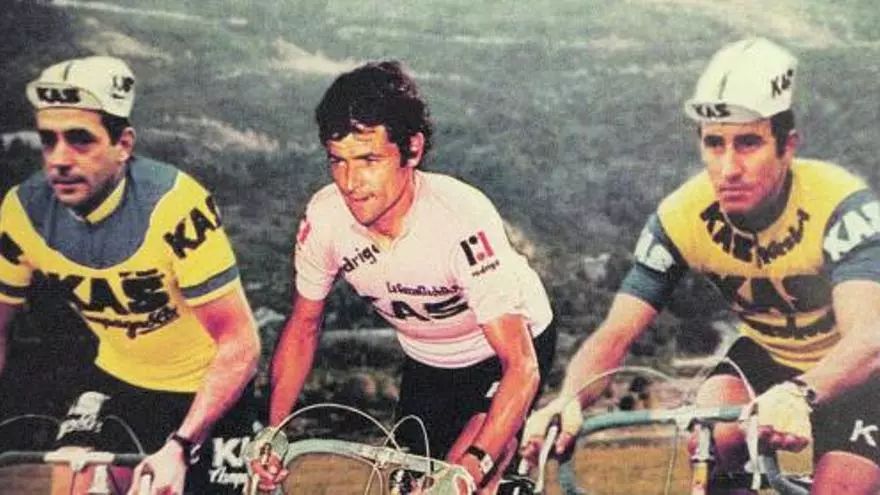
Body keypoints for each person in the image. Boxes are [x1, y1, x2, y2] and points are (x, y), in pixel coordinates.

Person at [522, 37, 880, 494]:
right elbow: (616, 333)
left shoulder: (840, 206)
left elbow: (868, 338)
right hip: (769, 355)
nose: (728, 167)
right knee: (712, 437)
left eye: (748, 143)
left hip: (859, 372)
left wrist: (799, 393)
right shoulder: (681, 216)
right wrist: (568, 400)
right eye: (714, 144)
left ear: (787, 146)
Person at [252, 60, 556, 494]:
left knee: (461, 481)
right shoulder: (326, 219)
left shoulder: (460, 221)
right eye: (337, 161)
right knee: (407, 488)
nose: (350, 183)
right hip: (428, 361)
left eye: (369, 160)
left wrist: (468, 474)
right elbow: (304, 326)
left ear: (412, 150)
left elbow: (522, 368)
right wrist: (272, 432)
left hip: (507, 351)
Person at [0, 55, 261, 494]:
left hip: (208, 389)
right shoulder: (22, 212)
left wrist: (180, 446)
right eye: (48, 141)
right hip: (117, 381)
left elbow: (241, 343)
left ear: (123, 144)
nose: (59, 159)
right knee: (72, 479)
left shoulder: (174, 205)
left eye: (80, 140)